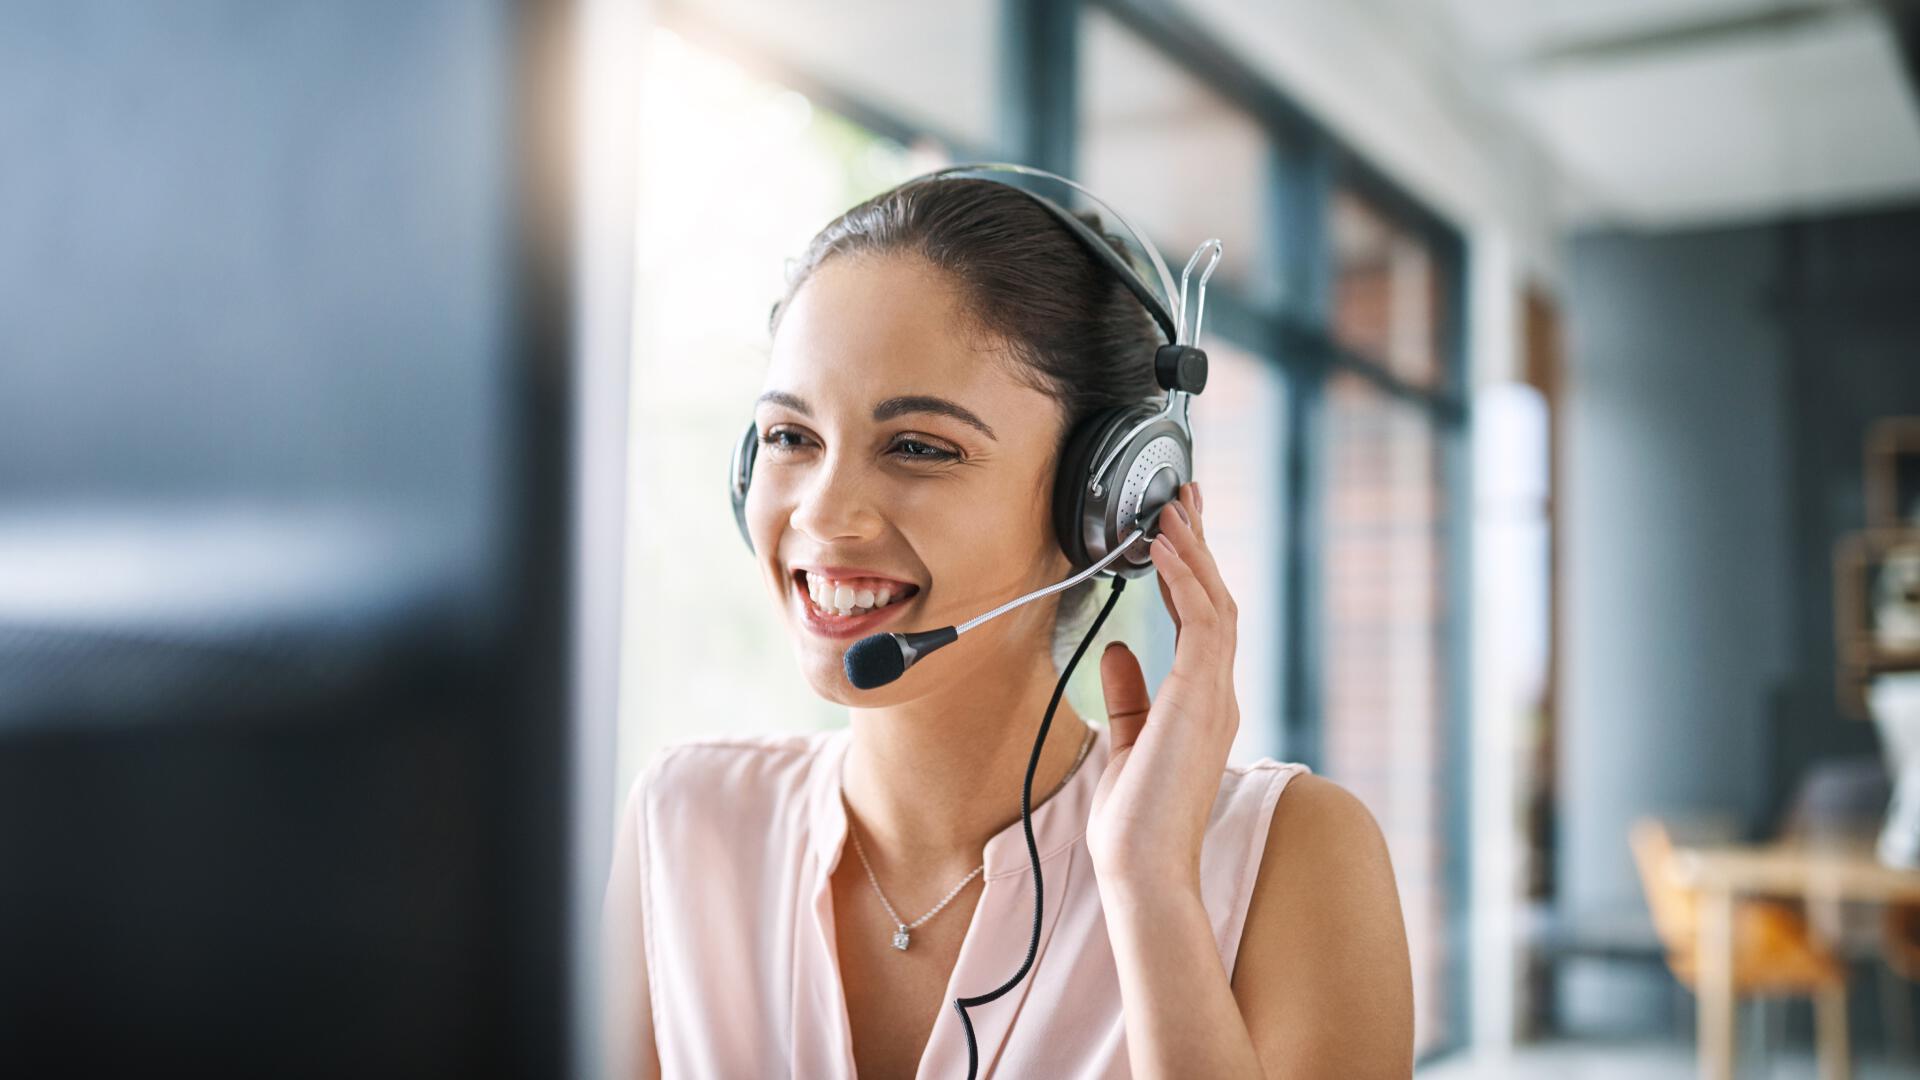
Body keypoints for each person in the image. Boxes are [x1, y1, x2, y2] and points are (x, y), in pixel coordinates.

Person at [602, 174, 1413, 1078]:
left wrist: (1152, 889)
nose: (825, 516)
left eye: (918, 447)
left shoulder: (1296, 859)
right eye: (791, 437)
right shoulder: (687, 823)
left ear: (1107, 507)